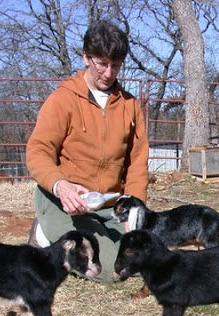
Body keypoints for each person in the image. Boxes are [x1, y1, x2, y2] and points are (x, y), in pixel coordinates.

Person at [26, 20, 149, 283]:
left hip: (110, 204)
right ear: (85, 57)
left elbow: (137, 161)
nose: (108, 73)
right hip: (66, 202)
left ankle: (96, 233)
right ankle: (44, 234)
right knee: (112, 271)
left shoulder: (130, 106)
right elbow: (38, 151)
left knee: (141, 259)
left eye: (116, 65)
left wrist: (135, 208)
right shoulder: (64, 99)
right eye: (102, 64)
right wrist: (60, 185)